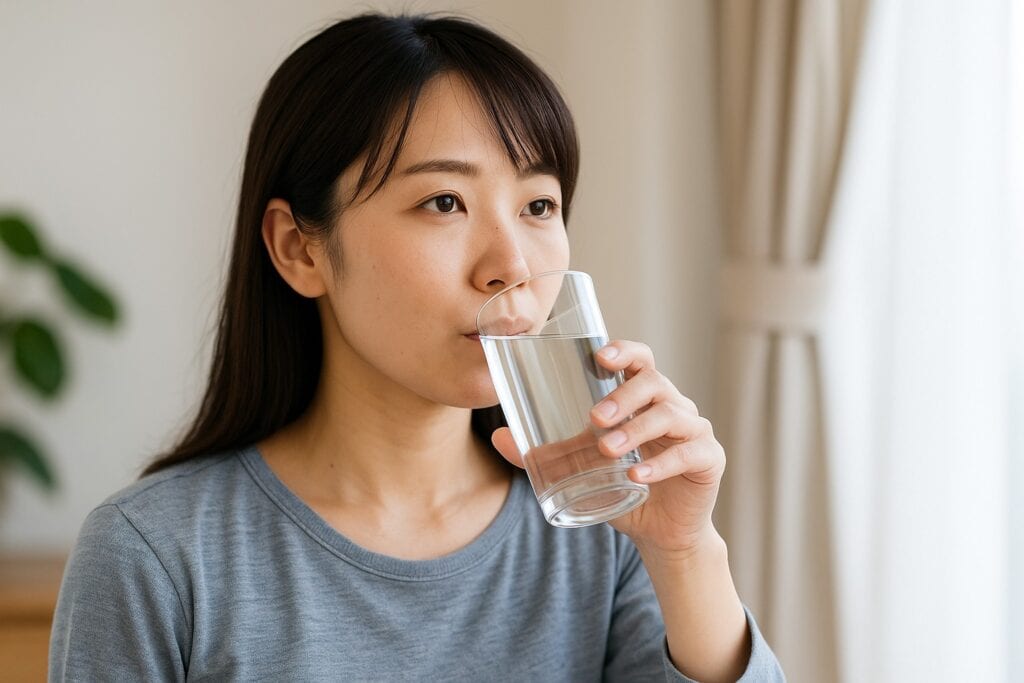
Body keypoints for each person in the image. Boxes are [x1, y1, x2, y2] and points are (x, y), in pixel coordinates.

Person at [49, 12, 784, 682]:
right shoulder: (154, 554)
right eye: (444, 202)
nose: (511, 265)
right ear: (299, 249)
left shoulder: (607, 530)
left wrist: (687, 554)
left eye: (538, 205)